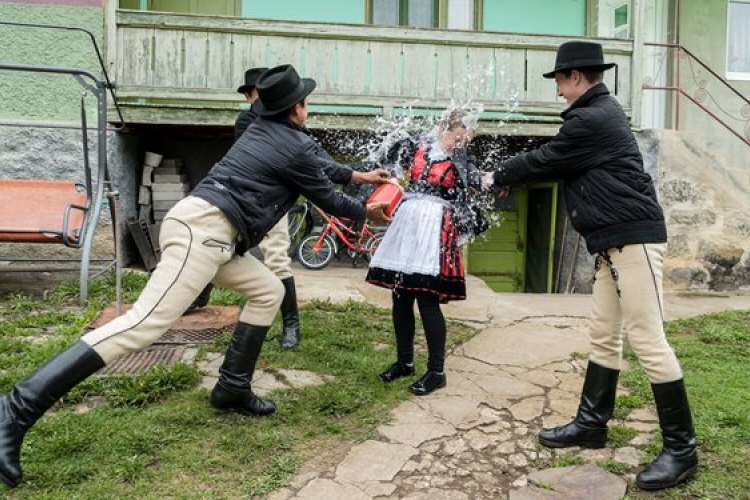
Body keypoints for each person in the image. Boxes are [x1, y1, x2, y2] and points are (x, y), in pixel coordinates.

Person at [0, 64, 391, 489]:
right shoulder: (288, 142)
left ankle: (232, 387)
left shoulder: (271, 130)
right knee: (142, 325)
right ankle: (14, 410)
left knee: (267, 289)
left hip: (213, 233)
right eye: (306, 100)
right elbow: (328, 197)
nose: (307, 106)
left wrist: (361, 177)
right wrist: (366, 210)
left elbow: (321, 166)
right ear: (297, 108)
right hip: (202, 232)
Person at [482, 41, 698, 491]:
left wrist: (497, 175)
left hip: (633, 239)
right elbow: (560, 165)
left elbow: (548, 158)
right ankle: (592, 423)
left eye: (560, 81)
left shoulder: (591, 118)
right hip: (611, 242)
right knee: (605, 333)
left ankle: (682, 450)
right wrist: (516, 178)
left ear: (576, 77)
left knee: (648, 339)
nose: (559, 90)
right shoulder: (596, 116)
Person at [189, 66, 389, 350]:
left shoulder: (294, 129)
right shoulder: (250, 123)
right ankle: (199, 295)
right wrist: (364, 208)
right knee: (220, 251)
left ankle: (290, 325)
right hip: (243, 206)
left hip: (271, 208)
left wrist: (358, 176)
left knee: (276, 260)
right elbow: (308, 168)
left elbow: (318, 161)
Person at [366, 109, 481, 396]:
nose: (461, 142)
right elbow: (391, 170)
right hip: (408, 225)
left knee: (427, 300)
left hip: (435, 230)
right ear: (445, 127)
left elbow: (476, 185)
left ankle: (436, 371)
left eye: (465, 137)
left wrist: (495, 182)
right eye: (458, 135)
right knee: (400, 296)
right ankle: (404, 362)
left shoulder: (462, 160)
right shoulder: (418, 147)